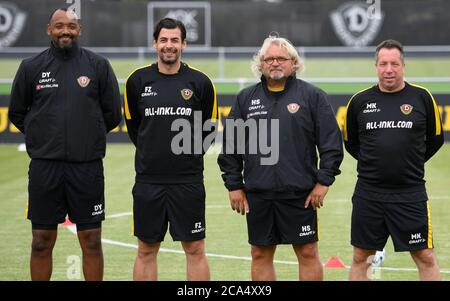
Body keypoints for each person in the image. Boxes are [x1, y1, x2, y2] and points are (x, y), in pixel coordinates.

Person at [217, 35, 343, 281]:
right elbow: (231, 146)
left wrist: (324, 181)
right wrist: (233, 185)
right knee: (260, 253)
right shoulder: (245, 99)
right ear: (261, 64)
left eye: (281, 58)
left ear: (293, 63)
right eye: (269, 59)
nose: (275, 63)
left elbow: (331, 144)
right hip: (258, 193)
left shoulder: (313, 96)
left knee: (307, 252)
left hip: (300, 194)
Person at [8, 8, 121, 281]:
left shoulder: (98, 66)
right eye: (59, 26)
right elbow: (17, 113)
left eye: (71, 26)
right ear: (49, 29)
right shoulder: (31, 67)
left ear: (79, 30)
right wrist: (42, 137)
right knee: (41, 240)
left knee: (92, 240)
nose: (65, 31)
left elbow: (112, 114)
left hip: (87, 168)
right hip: (45, 169)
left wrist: (87, 136)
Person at [123, 18, 217, 281]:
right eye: (164, 40)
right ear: (155, 43)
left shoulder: (201, 82)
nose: (169, 45)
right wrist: (154, 151)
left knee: (195, 248)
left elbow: (209, 130)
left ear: (184, 44)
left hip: (187, 181)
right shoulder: (137, 81)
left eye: (175, 40)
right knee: (146, 249)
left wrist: (186, 157)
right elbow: (135, 129)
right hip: (148, 181)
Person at [344, 39, 444, 281]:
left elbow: (436, 139)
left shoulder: (422, 97)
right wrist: (376, 163)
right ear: (376, 66)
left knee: (426, 256)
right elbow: (351, 143)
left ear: (403, 66)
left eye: (394, 64)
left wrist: (409, 161)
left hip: (410, 193)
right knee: (361, 257)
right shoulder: (359, 101)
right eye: (383, 64)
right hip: (369, 194)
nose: (389, 69)